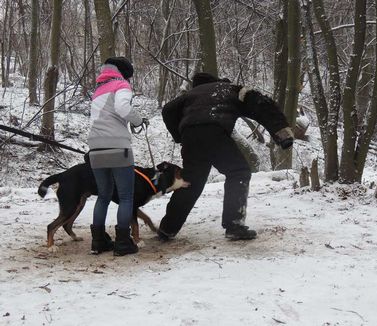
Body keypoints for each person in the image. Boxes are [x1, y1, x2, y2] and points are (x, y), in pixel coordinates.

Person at [158, 72, 294, 241]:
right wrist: (282, 134)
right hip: (215, 130)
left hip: (190, 136)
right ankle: (234, 225)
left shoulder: (189, 95)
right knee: (239, 172)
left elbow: (168, 110)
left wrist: (179, 134)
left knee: (191, 181)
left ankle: (167, 228)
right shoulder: (229, 89)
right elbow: (261, 104)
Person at [87, 56, 146, 256]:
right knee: (126, 196)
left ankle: (98, 241)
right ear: (124, 74)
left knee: (103, 195)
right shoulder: (121, 85)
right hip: (117, 146)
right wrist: (138, 121)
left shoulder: (97, 91)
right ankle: (122, 242)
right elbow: (122, 108)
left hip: (95, 148)